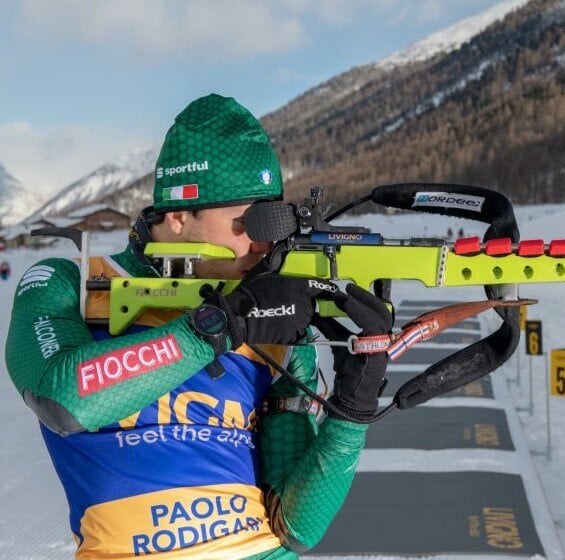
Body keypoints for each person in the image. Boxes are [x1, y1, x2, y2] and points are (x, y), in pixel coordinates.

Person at [4, 94, 391, 559]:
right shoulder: (70, 284)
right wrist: (216, 327)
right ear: (179, 215)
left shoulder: (273, 324)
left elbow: (297, 528)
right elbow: (61, 398)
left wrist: (353, 408)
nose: (263, 243)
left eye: (271, 223)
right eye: (245, 222)